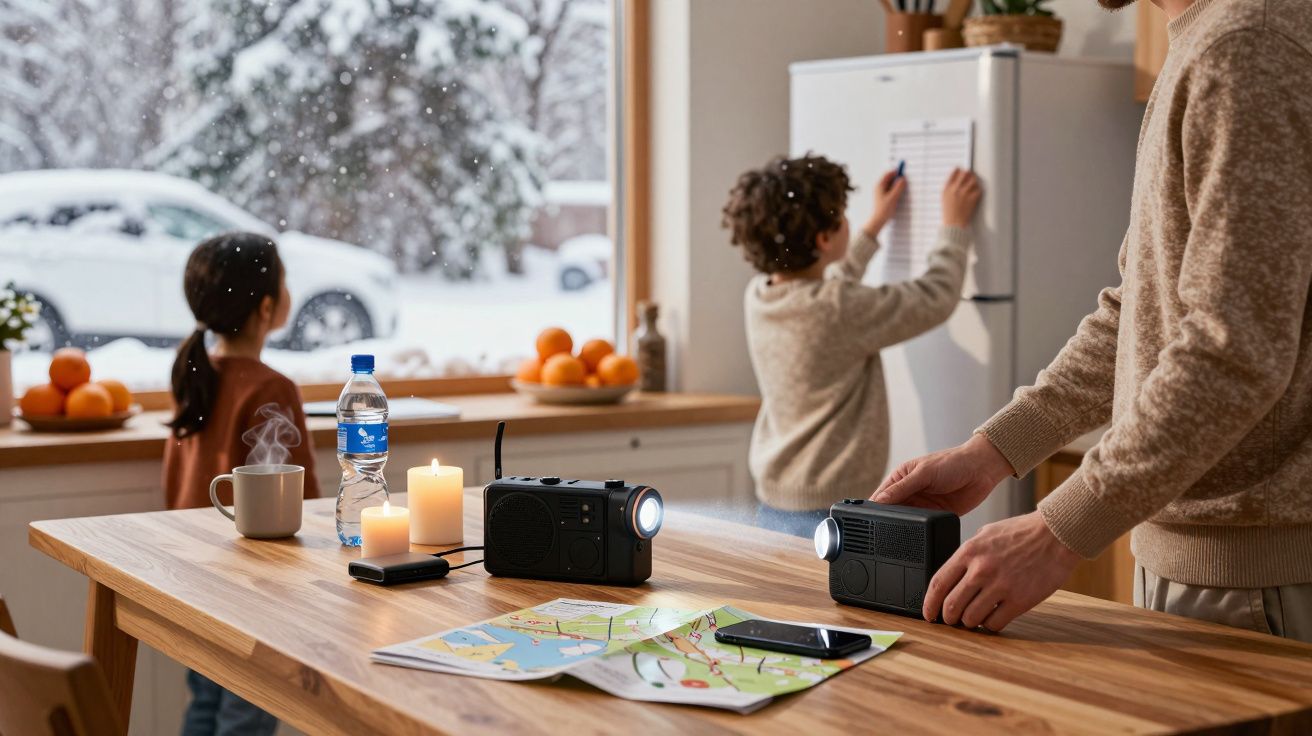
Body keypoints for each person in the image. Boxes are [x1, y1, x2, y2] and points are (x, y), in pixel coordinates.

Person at [873, 0, 1312, 641]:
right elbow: (1139, 311)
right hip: (1210, 566)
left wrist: (1056, 530)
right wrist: (992, 452)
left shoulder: (1245, 45)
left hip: (1256, 581)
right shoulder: (1208, 41)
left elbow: (1232, 350)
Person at [723, 153, 981, 536]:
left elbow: (830, 292)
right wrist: (954, 226)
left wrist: (875, 225)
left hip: (777, 497)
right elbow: (936, 296)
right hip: (830, 508)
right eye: (842, 215)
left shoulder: (761, 295)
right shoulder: (837, 308)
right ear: (825, 239)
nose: (848, 220)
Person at [162, 232, 319, 735]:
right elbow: (304, 503)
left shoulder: (194, 372)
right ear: (267, 306)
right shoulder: (272, 387)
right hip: (257, 591)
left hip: (196, 576)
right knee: (246, 716)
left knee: (204, 705)